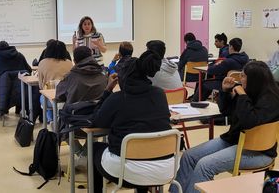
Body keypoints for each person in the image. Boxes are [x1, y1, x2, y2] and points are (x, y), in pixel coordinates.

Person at [170, 61, 279, 193]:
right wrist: (225, 91)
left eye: (243, 76)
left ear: (254, 80)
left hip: (258, 152)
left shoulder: (271, 100)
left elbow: (249, 122)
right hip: (234, 141)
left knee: (204, 165)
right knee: (188, 156)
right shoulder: (250, 92)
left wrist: (242, 96)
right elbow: (225, 111)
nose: (240, 79)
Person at [92, 51, 174, 193]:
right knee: (144, 150)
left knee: (94, 148)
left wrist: (107, 90)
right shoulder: (159, 94)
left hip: (126, 172)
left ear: (123, 77)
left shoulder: (117, 98)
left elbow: (97, 121)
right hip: (165, 168)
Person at [56, 46, 107, 163]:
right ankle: (86, 154)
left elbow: (59, 95)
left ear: (75, 60)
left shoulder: (72, 75)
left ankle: (81, 154)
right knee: (92, 132)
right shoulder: (103, 73)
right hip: (99, 122)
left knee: (59, 127)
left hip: (75, 123)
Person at [38, 40, 72, 122]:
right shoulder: (69, 63)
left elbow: (40, 86)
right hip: (67, 98)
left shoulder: (42, 63)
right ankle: (55, 121)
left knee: (44, 97)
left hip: (50, 99)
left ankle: (52, 121)